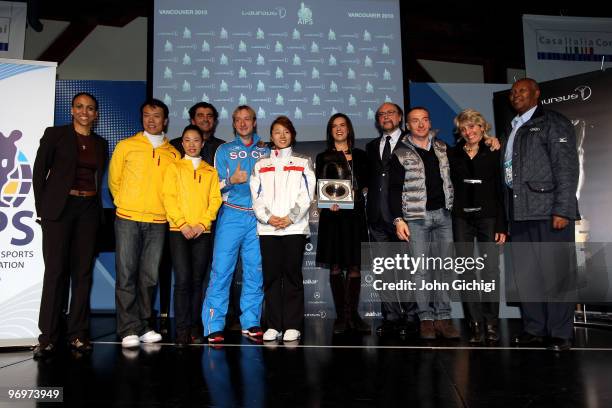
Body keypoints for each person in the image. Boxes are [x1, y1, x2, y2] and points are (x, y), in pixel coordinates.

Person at [503, 78, 579, 352]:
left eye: (522, 91)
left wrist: (562, 209)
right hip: (520, 211)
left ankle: (560, 333)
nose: (516, 95)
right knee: (527, 274)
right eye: (513, 92)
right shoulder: (513, 127)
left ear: (537, 94)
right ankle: (535, 329)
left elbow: (567, 168)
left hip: (549, 210)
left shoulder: (552, 121)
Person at [32, 92, 108, 358]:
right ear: (72, 110)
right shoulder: (55, 135)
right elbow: (39, 172)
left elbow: (97, 180)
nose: (84, 112)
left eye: (90, 108)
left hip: (88, 211)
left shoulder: (101, 143)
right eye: (79, 107)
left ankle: (77, 334)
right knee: (55, 273)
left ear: (96, 114)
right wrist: (43, 210)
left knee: (83, 274)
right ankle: (48, 337)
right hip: (59, 211)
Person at [108, 98, 179, 348]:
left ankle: (145, 325)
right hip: (128, 219)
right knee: (126, 274)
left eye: (156, 115)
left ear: (165, 120)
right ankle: (128, 328)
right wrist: (128, 204)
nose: (151, 119)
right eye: (147, 115)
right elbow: (114, 181)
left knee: (149, 277)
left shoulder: (173, 153)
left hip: (159, 222)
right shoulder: (127, 146)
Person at [391, 107, 460, 340]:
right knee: (421, 271)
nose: (421, 124)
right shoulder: (400, 152)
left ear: (429, 122)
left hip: (443, 216)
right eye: (415, 121)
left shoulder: (442, 148)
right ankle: (426, 320)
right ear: (407, 125)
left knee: (445, 268)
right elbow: (393, 191)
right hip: (415, 219)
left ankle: (443, 317)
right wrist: (398, 220)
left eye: (425, 120)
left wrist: (490, 141)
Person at [202, 105, 270, 343]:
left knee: (255, 272)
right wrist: (231, 180)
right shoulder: (224, 150)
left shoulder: (267, 149)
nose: (243, 124)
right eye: (238, 120)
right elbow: (213, 187)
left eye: (247, 119)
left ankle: (251, 321)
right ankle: (213, 324)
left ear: (254, 122)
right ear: (233, 123)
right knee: (221, 271)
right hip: (232, 215)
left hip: (259, 219)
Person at [251, 116, 315, 342]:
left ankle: (292, 325)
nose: (282, 136)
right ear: (271, 136)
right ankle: (273, 325)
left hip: (294, 229)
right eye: (277, 132)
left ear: (292, 135)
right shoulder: (261, 165)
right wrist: (269, 218)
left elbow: (307, 195)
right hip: (268, 230)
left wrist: (290, 218)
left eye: (286, 132)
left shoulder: (303, 162)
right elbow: (256, 197)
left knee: (292, 277)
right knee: (271, 277)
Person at [448, 109, 506, 344]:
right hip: (461, 217)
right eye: (464, 128)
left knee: (490, 270)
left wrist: (502, 224)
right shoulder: (453, 154)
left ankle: (491, 323)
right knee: (466, 271)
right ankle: (474, 324)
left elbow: (501, 190)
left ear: (483, 127)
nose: (468, 132)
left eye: (472, 126)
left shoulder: (494, 151)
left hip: (489, 217)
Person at [162, 125, 222, 346]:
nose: (192, 144)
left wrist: (202, 223)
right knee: (183, 281)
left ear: (202, 143)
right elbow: (169, 198)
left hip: (202, 231)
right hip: (179, 231)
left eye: (196, 140)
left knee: (198, 282)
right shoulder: (173, 168)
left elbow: (215, 200)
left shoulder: (210, 171)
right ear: (183, 143)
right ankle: (181, 331)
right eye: (187, 140)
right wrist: (183, 224)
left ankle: (195, 327)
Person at [316, 113, 370, 334]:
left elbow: (365, 183)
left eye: (342, 125)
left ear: (349, 129)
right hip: (332, 214)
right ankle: (341, 317)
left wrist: (354, 194)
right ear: (330, 131)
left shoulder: (361, 155)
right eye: (334, 126)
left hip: (354, 214)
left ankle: (353, 316)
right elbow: (322, 182)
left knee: (355, 265)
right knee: (336, 265)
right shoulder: (323, 156)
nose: (339, 129)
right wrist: (331, 202)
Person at [365, 103, 415, 336]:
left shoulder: (413, 141)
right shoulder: (371, 146)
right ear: (377, 120)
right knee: (384, 271)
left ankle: (411, 316)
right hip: (376, 217)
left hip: (403, 217)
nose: (386, 117)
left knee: (406, 270)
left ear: (400, 117)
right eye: (381, 115)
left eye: (390, 113)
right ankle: (392, 316)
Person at [170, 102, 225, 166]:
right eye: (201, 116)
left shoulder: (222, 147)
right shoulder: (175, 145)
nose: (205, 119)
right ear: (193, 121)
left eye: (209, 116)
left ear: (214, 121)